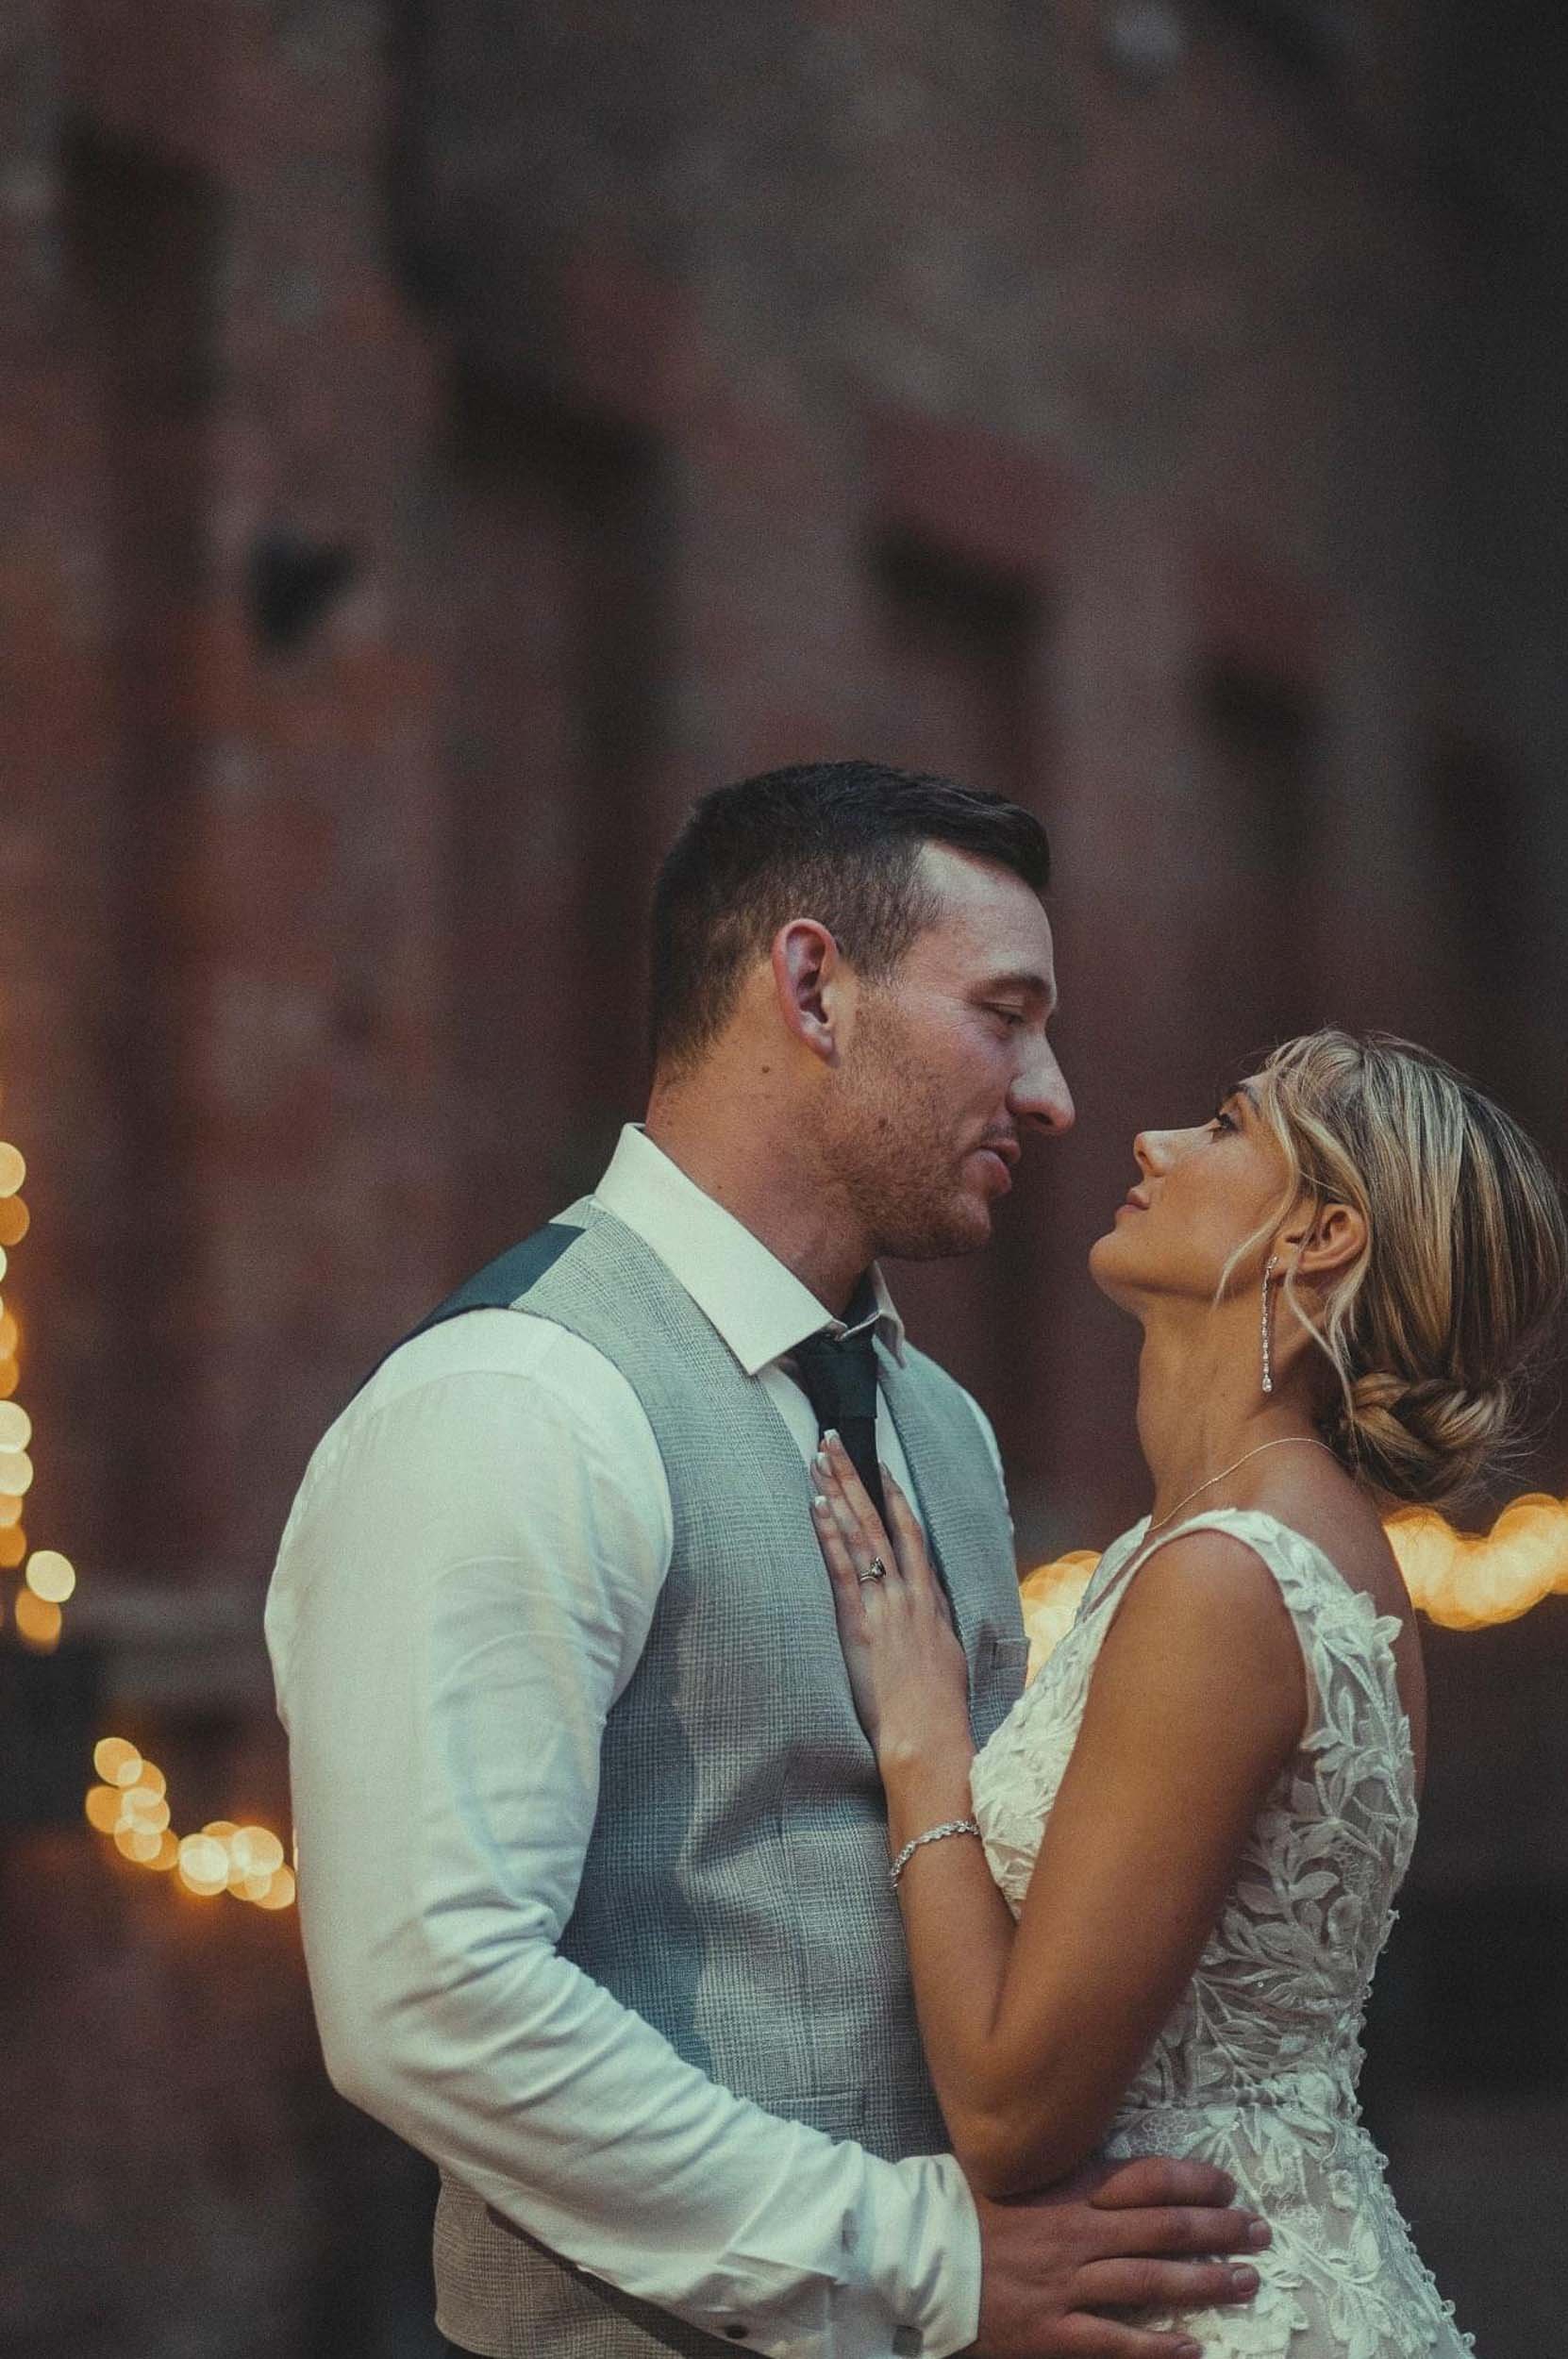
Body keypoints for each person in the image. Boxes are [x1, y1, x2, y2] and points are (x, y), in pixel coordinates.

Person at [265, 759, 1275, 2359]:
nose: (1055, 1094)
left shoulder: (936, 1422)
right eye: (1003, 1014)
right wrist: (917, 2264)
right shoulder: (517, 1399)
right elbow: (427, 2000)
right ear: (812, 987)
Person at [808, 1028, 1568, 2358]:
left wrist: (922, 1742)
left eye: (1224, 1126)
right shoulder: (1246, 1546)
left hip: (1202, 2312)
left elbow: (1007, 2108)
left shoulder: (1229, 1578)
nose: (1151, 1145)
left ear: (1316, 1235)